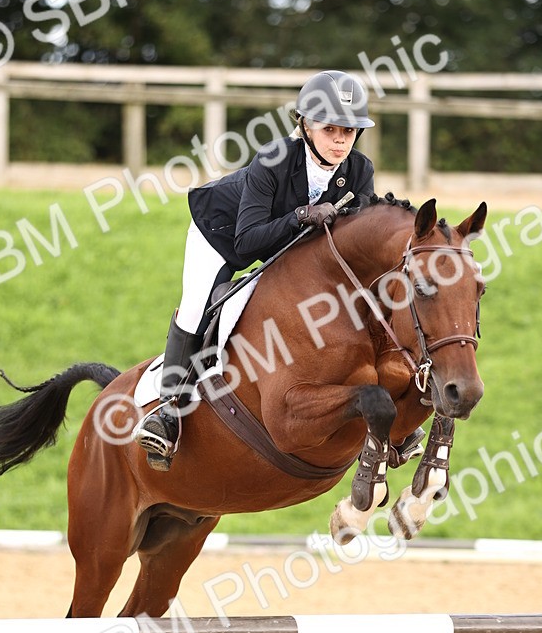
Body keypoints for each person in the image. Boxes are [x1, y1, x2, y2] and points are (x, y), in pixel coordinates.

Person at [134, 69, 377, 470]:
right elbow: (248, 243)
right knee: (198, 307)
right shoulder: (274, 159)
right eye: (330, 128)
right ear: (306, 126)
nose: (339, 140)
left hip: (284, 244)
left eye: (348, 132)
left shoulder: (359, 171)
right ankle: (167, 412)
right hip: (222, 234)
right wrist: (302, 215)